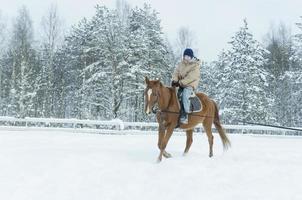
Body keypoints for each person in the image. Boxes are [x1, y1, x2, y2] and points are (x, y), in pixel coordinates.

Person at [171, 48, 201, 124]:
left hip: (189, 85)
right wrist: (175, 80)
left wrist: (180, 82)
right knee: (172, 94)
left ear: (191, 57)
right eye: (185, 56)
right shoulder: (181, 64)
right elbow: (176, 72)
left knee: (185, 95)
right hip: (180, 84)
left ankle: (185, 115)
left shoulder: (195, 65)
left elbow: (191, 77)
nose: (186, 58)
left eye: (188, 56)